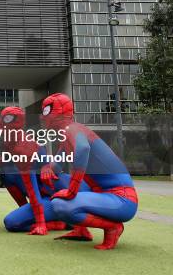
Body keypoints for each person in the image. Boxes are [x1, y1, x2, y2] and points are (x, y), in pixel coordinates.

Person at [40, 93, 138, 250]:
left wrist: (72, 191)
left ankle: (113, 227)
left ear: (57, 112)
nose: (43, 117)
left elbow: (83, 149)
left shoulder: (72, 128)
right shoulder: (67, 137)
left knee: (60, 205)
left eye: (46, 112)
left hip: (122, 198)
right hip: (105, 195)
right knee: (55, 182)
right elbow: (55, 169)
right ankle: (80, 230)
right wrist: (46, 168)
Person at [0, 107, 90, 234]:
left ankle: (61, 223)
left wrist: (41, 223)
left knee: (12, 223)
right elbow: (4, 161)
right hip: (50, 195)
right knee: (12, 220)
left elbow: (33, 185)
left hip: (62, 194)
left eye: (7, 119)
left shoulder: (26, 148)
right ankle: (55, 219)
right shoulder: (12, 151)